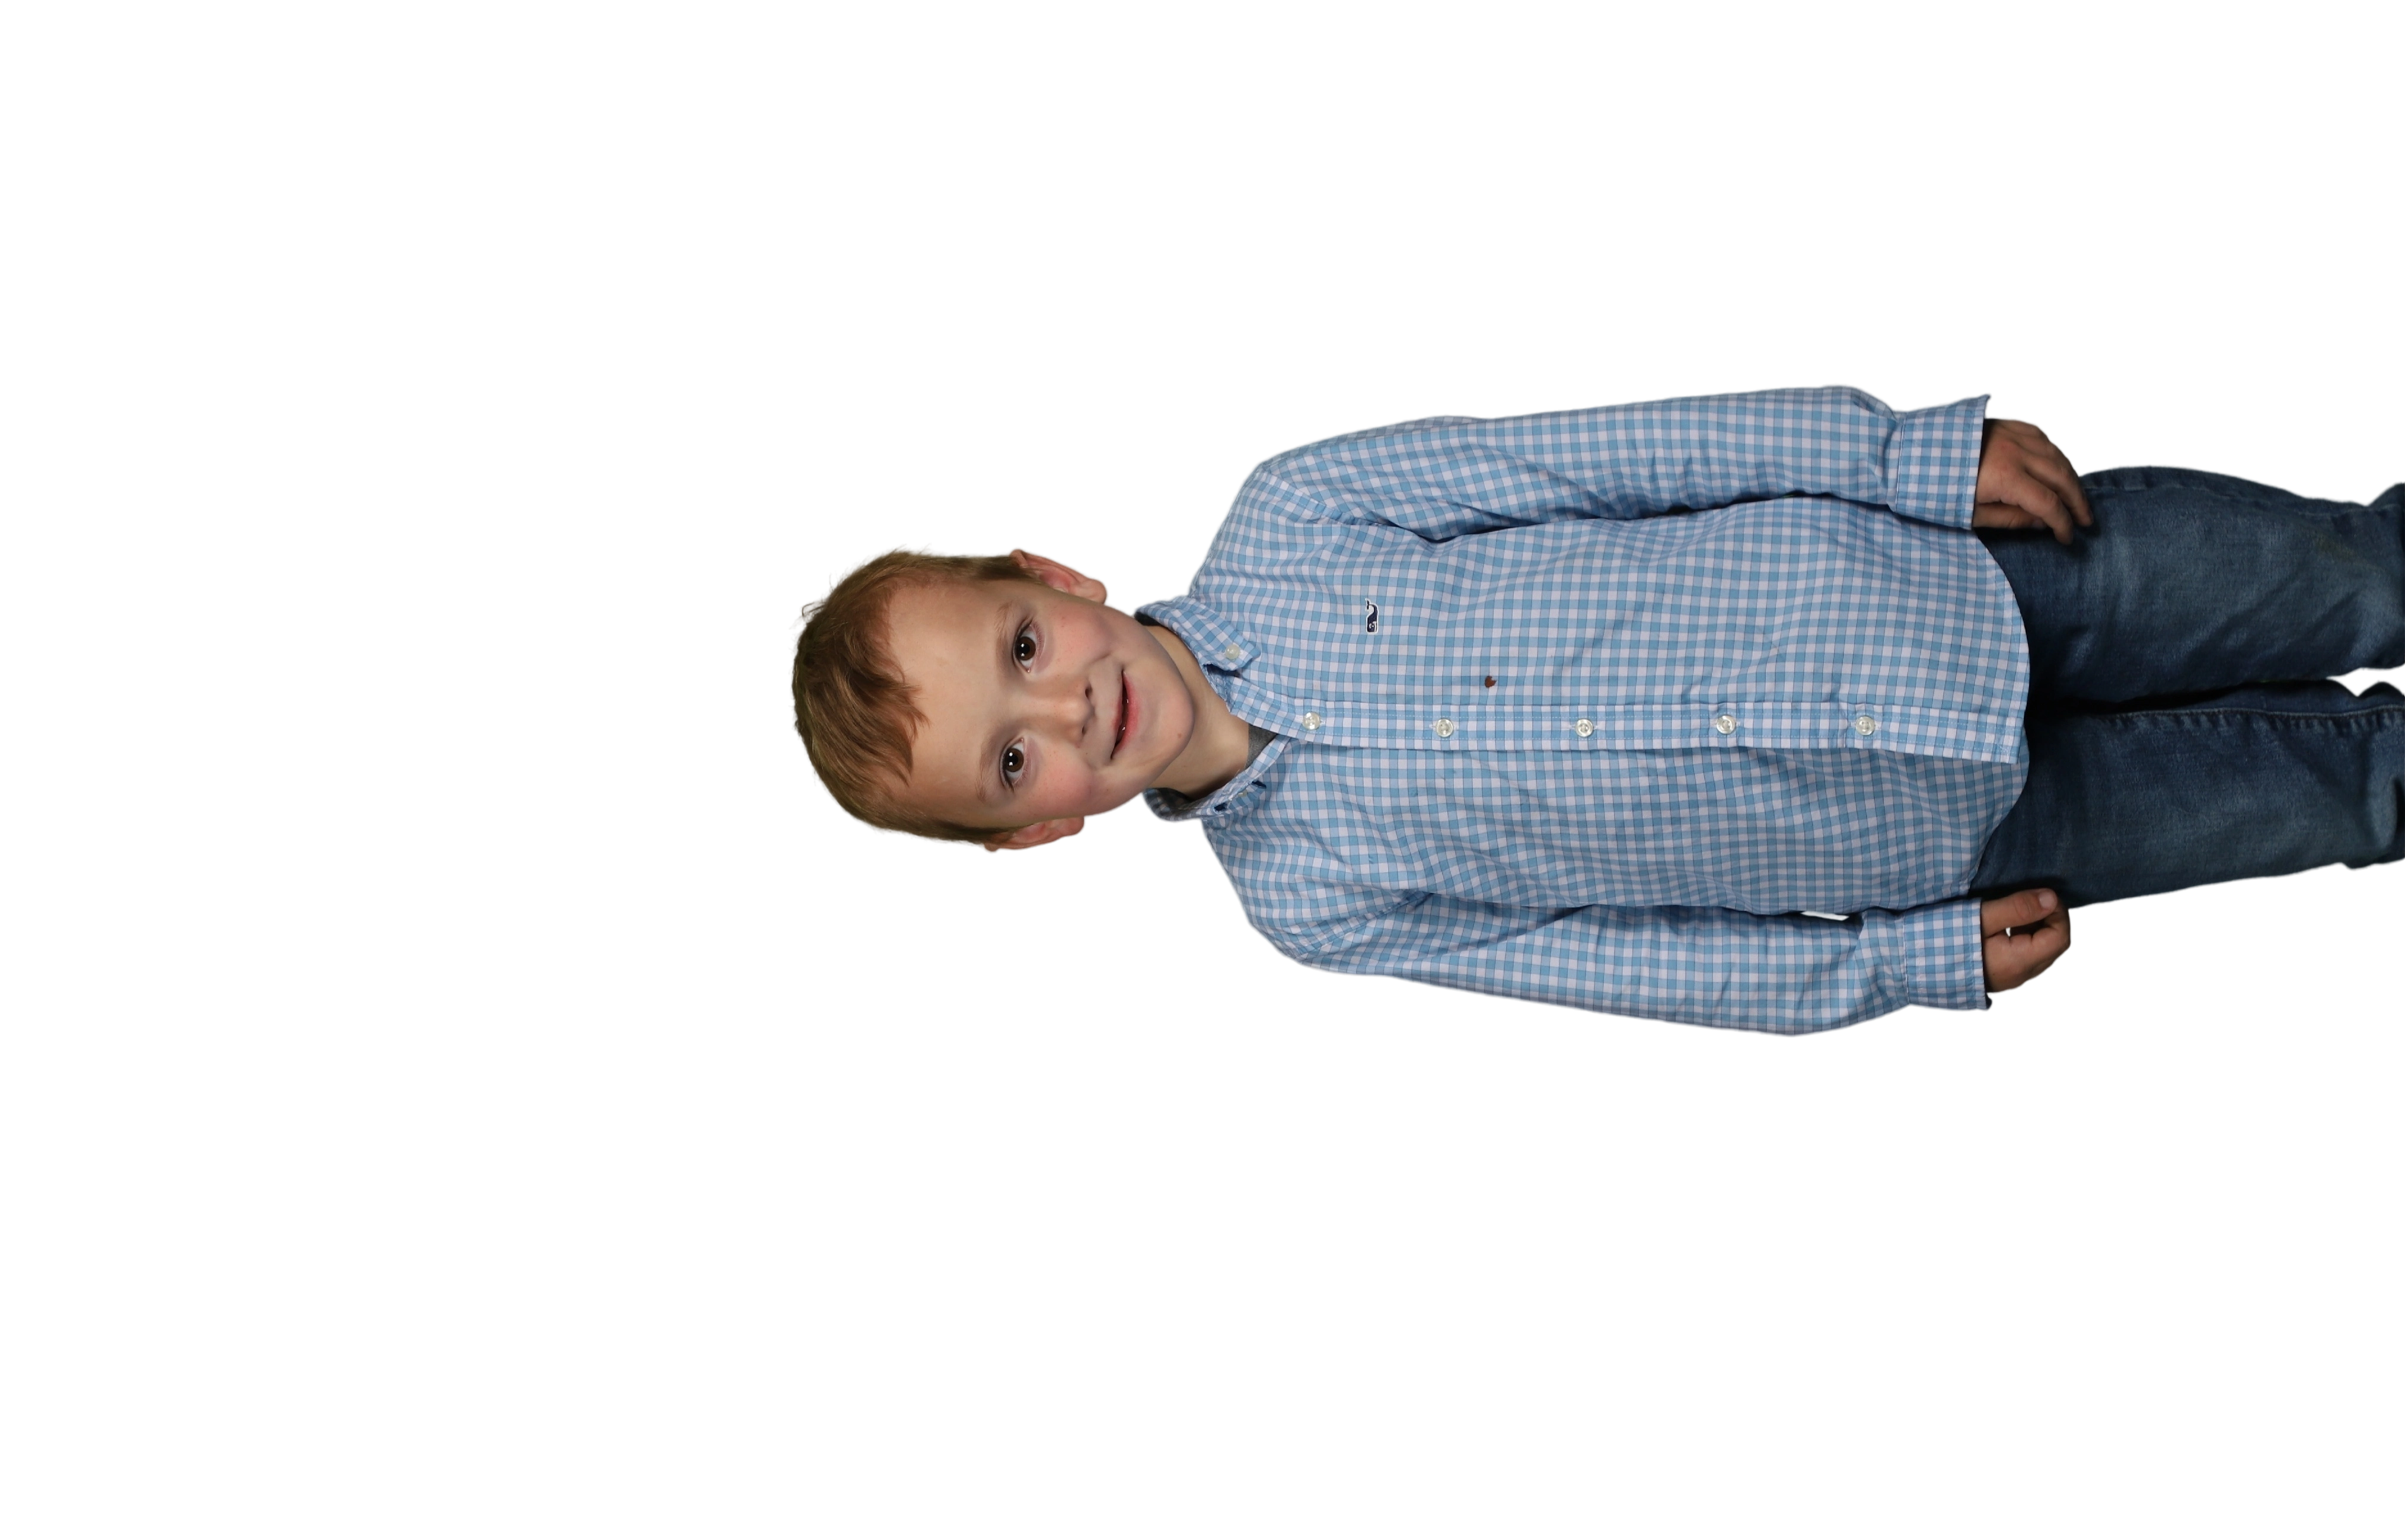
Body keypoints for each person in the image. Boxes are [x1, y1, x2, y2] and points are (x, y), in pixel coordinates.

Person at [786, 382, 2405, 1038]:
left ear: (1052, 573)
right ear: (1042, 832)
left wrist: (1901, 456)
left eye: (1020, 644)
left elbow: (1623, 456)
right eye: (1012, 759)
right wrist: (1891, 966)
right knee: (2338, 795)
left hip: (1969, 572)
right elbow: (1632, 966)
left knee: (2346, 577)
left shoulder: (1297, 514)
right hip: (1956, 844)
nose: (1068, 708)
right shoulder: (1310, 906)